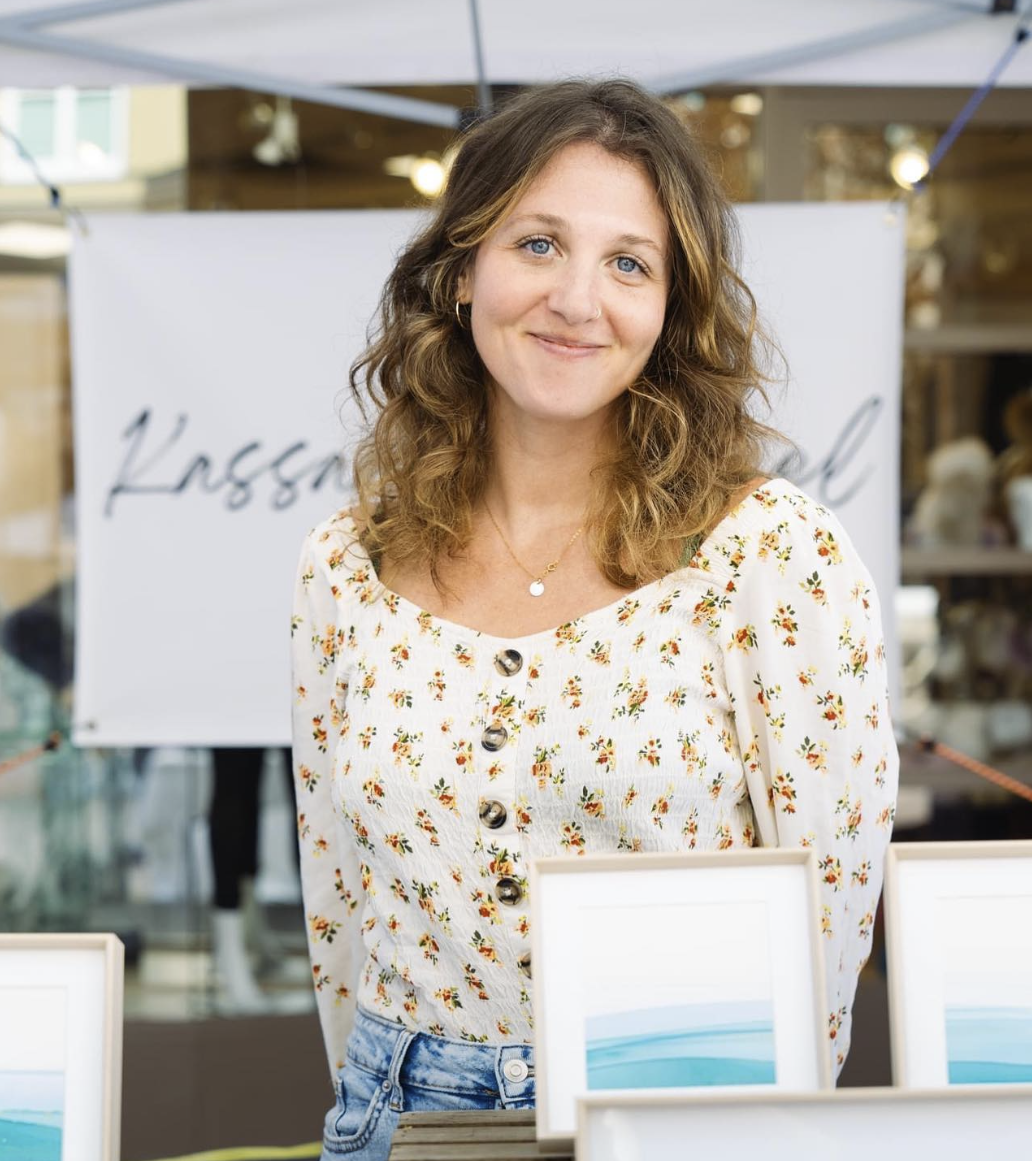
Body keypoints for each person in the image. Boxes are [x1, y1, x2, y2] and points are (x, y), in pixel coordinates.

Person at [291, 78, 898, 1160]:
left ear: (671, 309)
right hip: (397, 1113)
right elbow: (336, 896)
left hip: (676, 1110)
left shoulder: (770, 555)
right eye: (537, 244)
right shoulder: (346, 566)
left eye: (629, 263)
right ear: (462, 270)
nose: (578, 299)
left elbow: (831, 905)